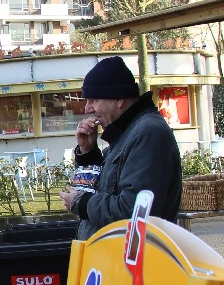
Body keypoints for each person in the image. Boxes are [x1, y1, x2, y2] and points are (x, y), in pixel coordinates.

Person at [59, 56, 183, 239]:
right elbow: (108, 187)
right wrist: (89, 153)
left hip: (134, 255)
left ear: (119, 99)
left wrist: (83, 204)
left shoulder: (147, 134)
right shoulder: (128, 133)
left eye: (93, 100)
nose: (87, 109)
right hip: (116, 253)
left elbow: (134, 209)